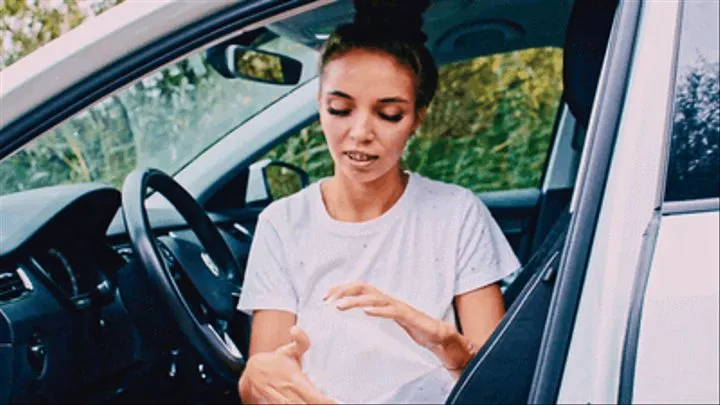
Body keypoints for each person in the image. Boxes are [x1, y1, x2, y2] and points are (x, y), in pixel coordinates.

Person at [236, 1, 520, 403]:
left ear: (417, 118)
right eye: (340, 109)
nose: (360, 132)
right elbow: (263, 386)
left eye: (388, 114)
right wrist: (253, 379)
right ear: (319, 105)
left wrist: (445, 343)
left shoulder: (457, 213)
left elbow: (496, 385)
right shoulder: (282, 222)